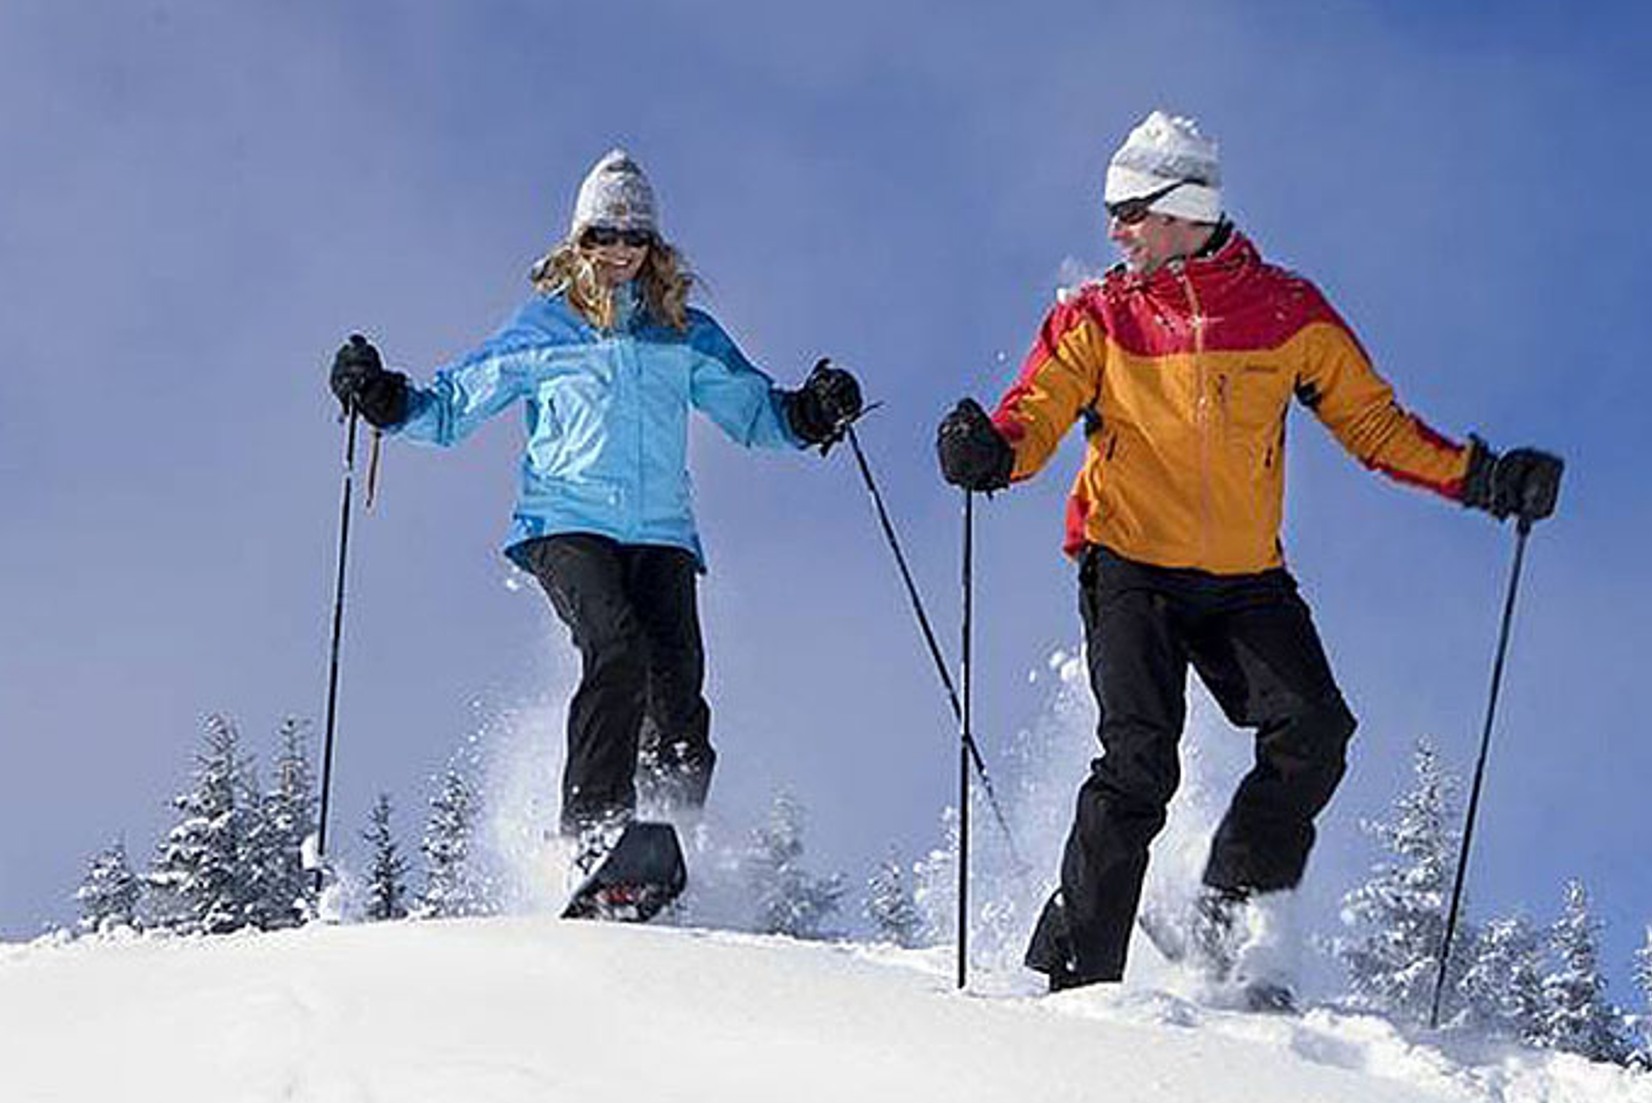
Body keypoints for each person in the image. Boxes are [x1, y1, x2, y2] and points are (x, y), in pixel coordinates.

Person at [936, 111, 1561, 1004]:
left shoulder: (1286, 311)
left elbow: (1374, 426)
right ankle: (1080, 977)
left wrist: (1486, 477)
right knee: (1140, 762)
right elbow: (1033, 411)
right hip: (1130, 565)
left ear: (1185, 210)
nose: (1114, 230)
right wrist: (989, 452)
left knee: (1315, 732)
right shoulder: (1101, 315)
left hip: (1242, 578)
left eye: (1130, 210)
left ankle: (1220, 921)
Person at [330, 148, 862, 876]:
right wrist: (387, 399)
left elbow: (756, 414)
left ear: (653, 246)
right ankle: (591, 835)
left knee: (678, 690)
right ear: (577, 242)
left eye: (633, 237)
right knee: (617, 651)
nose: (618, 251)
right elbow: (451, 405)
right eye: (603, 236)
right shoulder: (544, 331)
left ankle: (669, 844)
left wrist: (810, 412)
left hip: (662, 533)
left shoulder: (683, 334)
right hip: (566, 523)